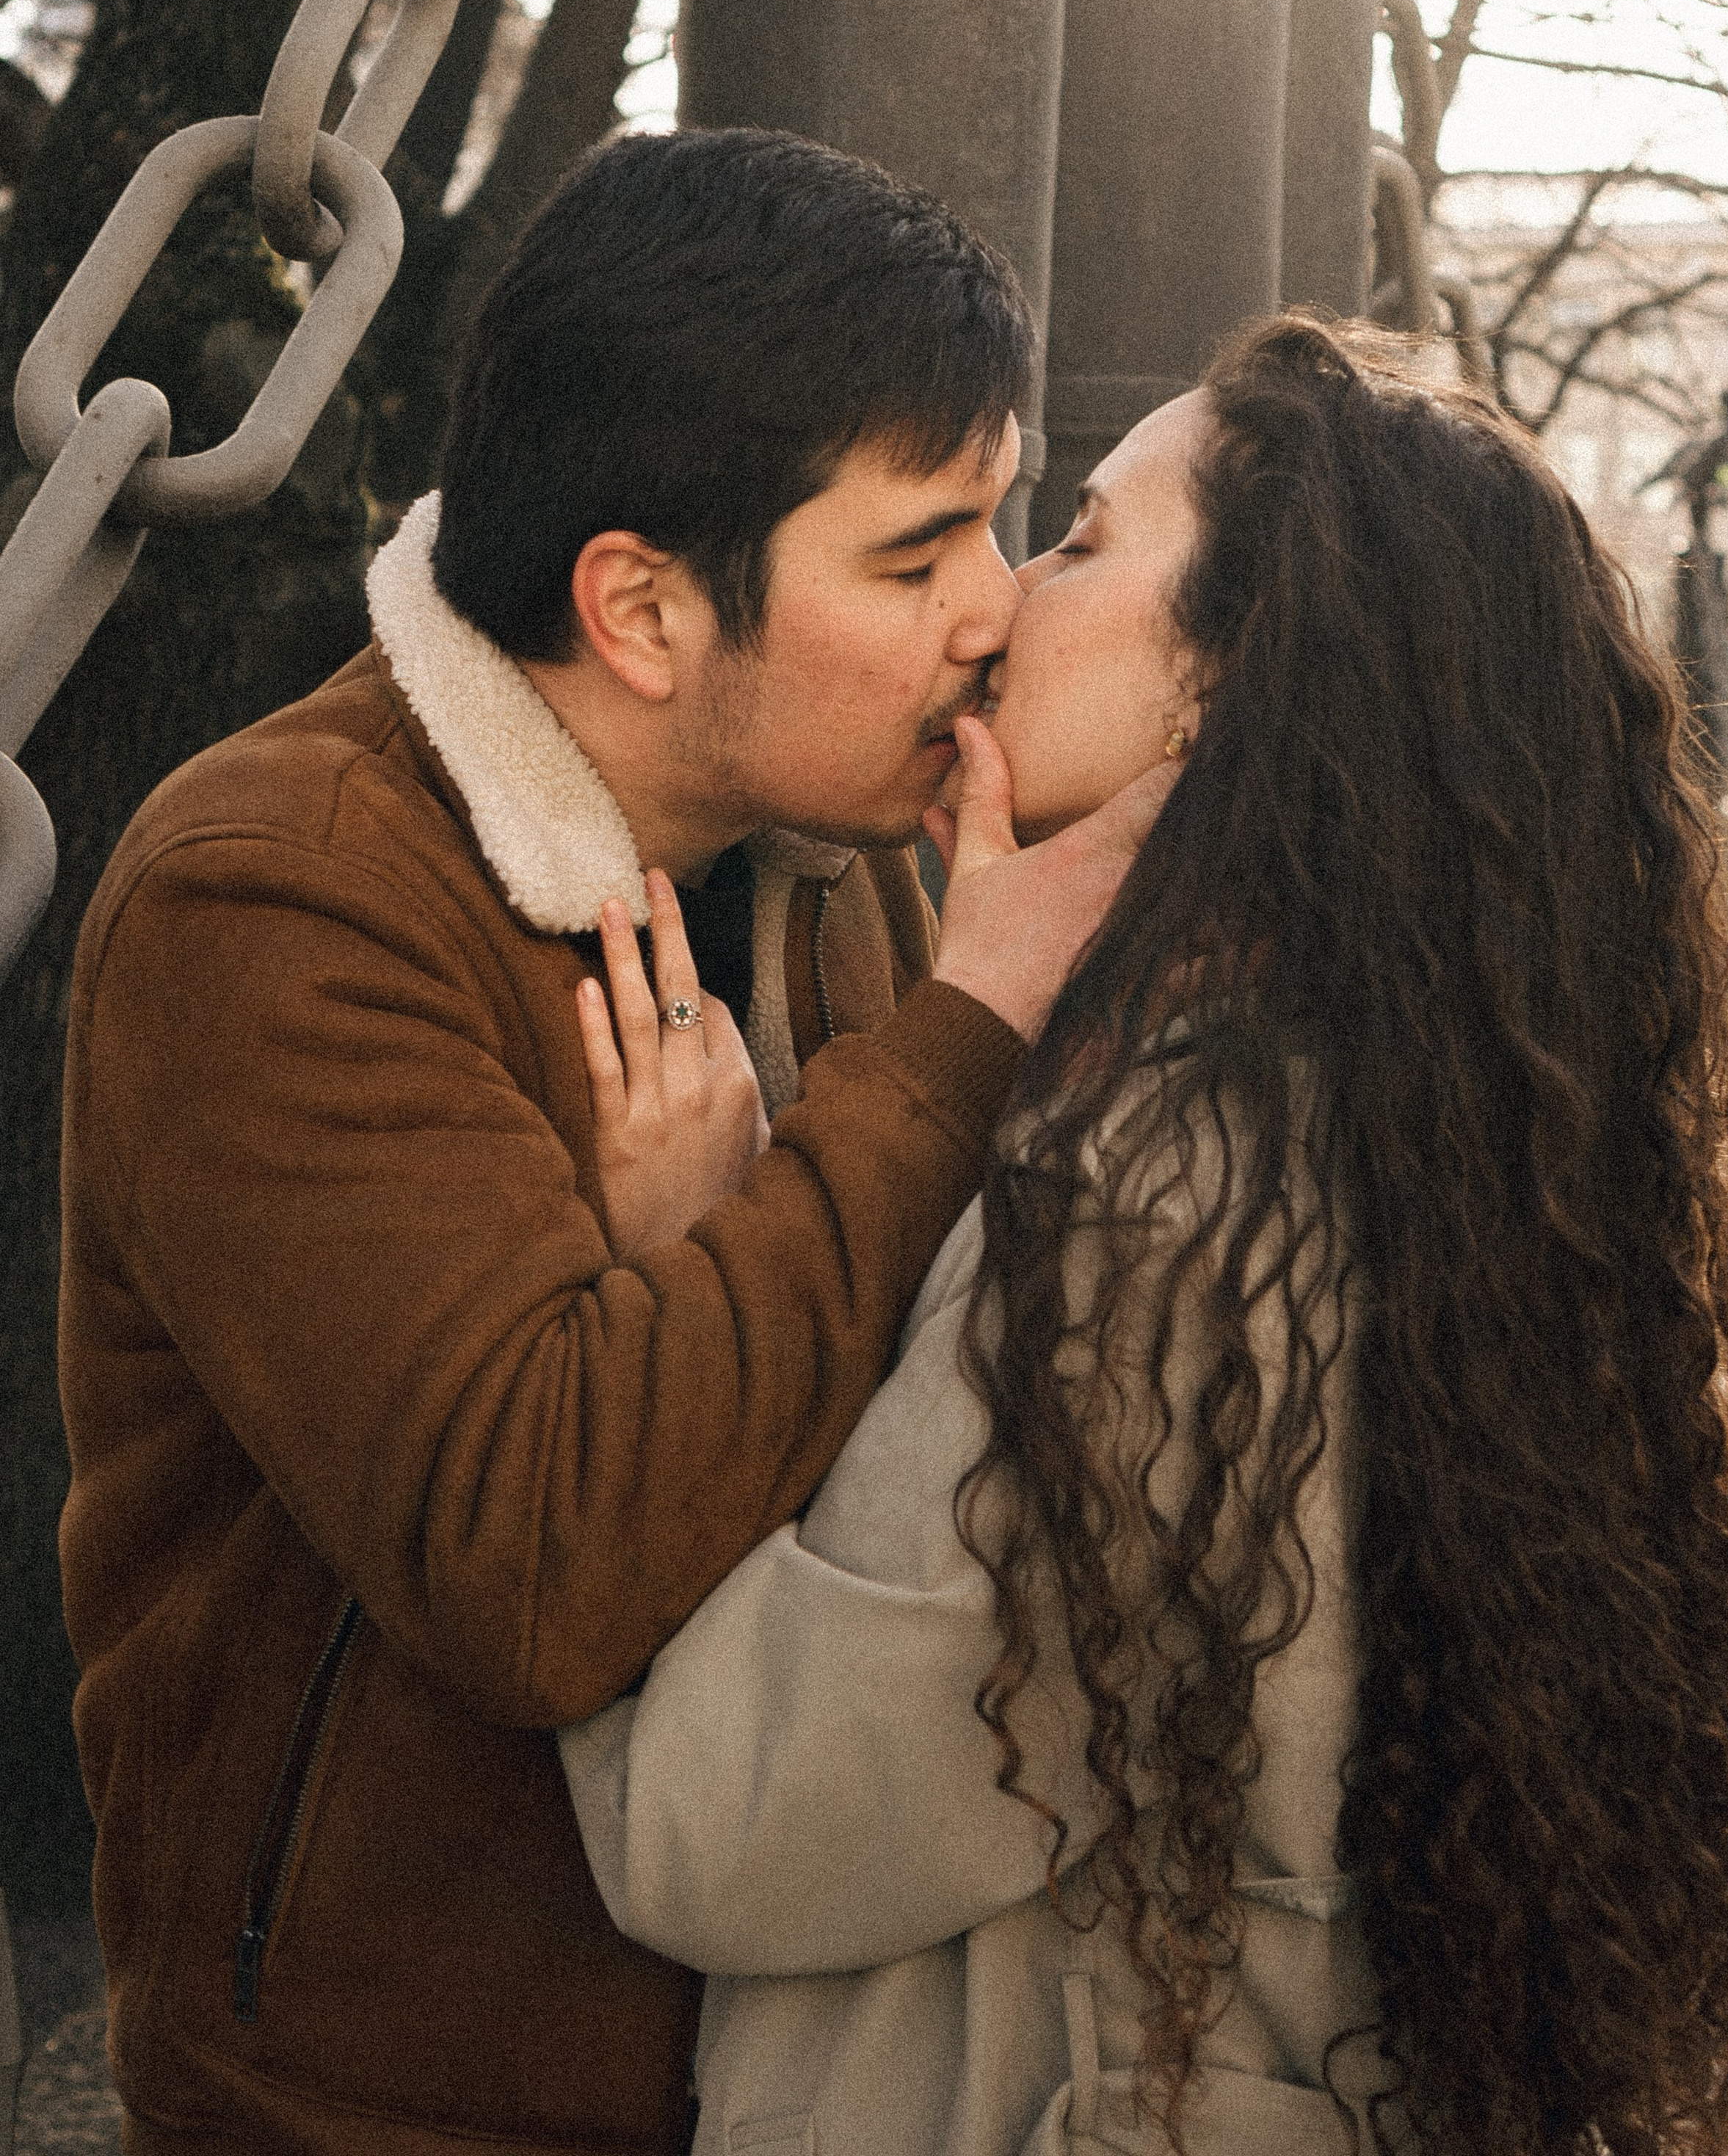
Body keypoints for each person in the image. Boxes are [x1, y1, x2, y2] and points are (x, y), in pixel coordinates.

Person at [563, 313, 1728, 2156]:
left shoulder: (1163, 1194)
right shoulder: (1453, 1128)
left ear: (1238, 680)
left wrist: (687, 1282)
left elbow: (728, 1830)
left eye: (1077, 541)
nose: (996, 607)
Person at [57, 128, 1172, 2156]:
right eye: (917, 558)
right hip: (390, 2101)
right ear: (642, 609)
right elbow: (539, 1568)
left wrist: (722, 1241)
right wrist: (962, 1042)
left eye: (1004, 530)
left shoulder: (826, 852)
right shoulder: (281, 902)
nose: (995, 617)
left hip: (781, 2058)